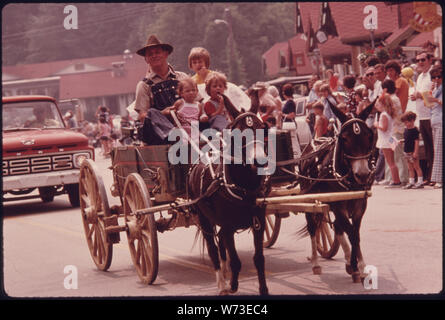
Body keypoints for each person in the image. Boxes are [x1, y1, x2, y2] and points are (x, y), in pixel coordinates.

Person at [134, 34, 188, 145]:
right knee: (151, 113)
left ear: (166, 54)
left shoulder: (182, 78)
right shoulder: (144, 85)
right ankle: (174, 134)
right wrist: (163, 114)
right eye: (150, 54)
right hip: (159, 135)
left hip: (186, 124)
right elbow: (142, 116)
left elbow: (197, 102)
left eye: (157, 52)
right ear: (146, 59)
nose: (154, 56)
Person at [410, 51, 434, 185]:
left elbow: (434, 94)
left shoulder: (433, 75)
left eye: (423, 59)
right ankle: (430, 176)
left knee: (434, 147)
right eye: (418, 60)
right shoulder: (419, 77)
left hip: (431, 115)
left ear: (429, 60)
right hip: (422, 116)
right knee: (428, 148)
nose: (420, 62)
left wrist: (420, 95)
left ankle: (434, 176)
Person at [381, 79, 408, 185]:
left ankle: (402, 177)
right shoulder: (394, 98)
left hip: (396, 130)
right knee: (393, 155)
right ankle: (393, 177)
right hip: (393, 131)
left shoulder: (391, 99)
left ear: (385, 89)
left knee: (397, 154)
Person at [374, 94, 401, 188]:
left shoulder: (384, 115)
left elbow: (384, 128)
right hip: (390, 138)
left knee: (390, 162)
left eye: (378, 104)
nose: (377, 106)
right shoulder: (389, 113)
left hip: (386, 140)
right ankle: (396, 180)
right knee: (392, 162)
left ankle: (396, 181)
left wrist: (377, 125)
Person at [400, 111, 424, 189]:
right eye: (405, 123)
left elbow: (416, 141)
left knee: (417, 167)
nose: (406, 124)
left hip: (413, 152)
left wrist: (416, 152)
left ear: (412, 120)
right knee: (410, 168)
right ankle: (411, 182)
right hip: (406, 151)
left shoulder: (415, 130)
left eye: (407, 122)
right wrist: (402, 140)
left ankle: (420, 182)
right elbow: (407, 139)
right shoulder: (406, 130)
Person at [429, 66, 442, 188]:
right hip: (434, 119)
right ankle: (437, 177)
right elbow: (428, 104)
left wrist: (436, 100)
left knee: (439, 150)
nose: (436, 79)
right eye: (434, 77)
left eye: (439, 77)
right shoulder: (435, 88)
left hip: (440, 120)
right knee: (436, 149)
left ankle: (439, 179)